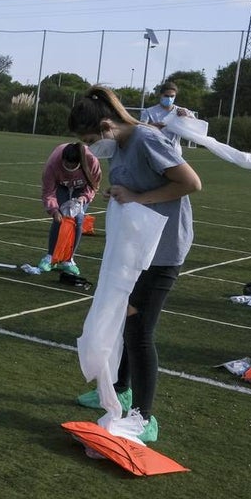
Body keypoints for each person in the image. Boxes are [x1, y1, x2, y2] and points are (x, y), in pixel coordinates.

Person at [70, 86, 200, 443]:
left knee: (139, 330)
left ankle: (145, 417)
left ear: (107, 125)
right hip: (138, 247)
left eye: (91, 138)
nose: (91, 147)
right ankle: (121, 389)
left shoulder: (144, 140)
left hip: (164, 248)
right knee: (126, 320)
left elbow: (190, 182)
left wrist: (139, 197)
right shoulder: (121, 145)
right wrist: (121, 193)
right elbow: (131, 185)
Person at [38, 142, 101, 276]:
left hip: (82, 188)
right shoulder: (53, 164)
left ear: (80, 163)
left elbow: (94, 184)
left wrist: (84, 198)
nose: (69, 168)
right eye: (66, 165)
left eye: (73, 166)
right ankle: (51, 256)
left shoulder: (91, 161)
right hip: (61, 185)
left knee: (78, 219)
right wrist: (53, 210)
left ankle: (68, 259)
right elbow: (48, 191)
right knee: (60, 217)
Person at [140, 82, 192, 148]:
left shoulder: (183, 111)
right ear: (160, 95)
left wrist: (187, 117)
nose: (169, 98)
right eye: (166, 96)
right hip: (155, 151)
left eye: (172, 96)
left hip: (175, 151)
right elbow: (140, 130)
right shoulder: (148, 112)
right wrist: (152, 127)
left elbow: (197, 128)